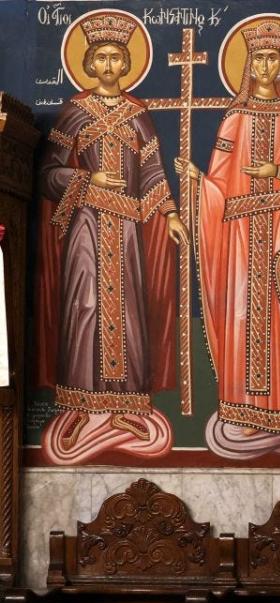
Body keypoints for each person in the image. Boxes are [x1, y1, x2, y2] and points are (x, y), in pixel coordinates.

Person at [176, 19, 280, 462]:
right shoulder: (234, 119)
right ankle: (243, 413)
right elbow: (220, 186)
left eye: (272, 58)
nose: (265, 65)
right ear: (248, 65)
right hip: (241, 241)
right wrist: (200, 183)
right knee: (241, 316)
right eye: (257, 58)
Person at [35, 11, 186, 464]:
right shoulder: (74, 113)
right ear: (88, 63)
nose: (106, 64)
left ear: (124, 65)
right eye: (99, 56)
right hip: (86, 224)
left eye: (114, 57)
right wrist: (88, 179)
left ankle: (125, 406)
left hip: (127, 229)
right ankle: (82, 404)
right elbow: (48, 173)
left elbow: (156, 171)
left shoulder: (138, 116)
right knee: (85, 305)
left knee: (129, 310)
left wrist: (172, 213)